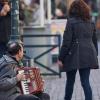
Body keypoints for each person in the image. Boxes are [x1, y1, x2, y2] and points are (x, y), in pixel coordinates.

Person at [58, 0, 99, 100]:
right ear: (85, 10)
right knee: (85, 82)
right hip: (88, 54)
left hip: (73, 55)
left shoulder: (71, 22)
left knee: (70, 82)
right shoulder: (91, 22)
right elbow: (94, 41)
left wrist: (61, 58)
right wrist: (95, 54)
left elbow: (66, 42)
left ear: (72, 10)